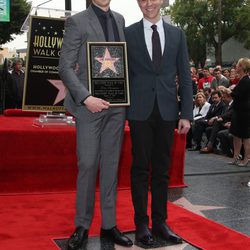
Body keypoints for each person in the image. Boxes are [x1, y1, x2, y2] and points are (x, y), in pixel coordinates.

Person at [59, 1, 133, 249]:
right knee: (88, 164)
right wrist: (85, 97)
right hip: (88, 106)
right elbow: (65, 66)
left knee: (111, 166)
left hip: (116, 107)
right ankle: (82, 225)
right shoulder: (77, 21)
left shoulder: (121, 19)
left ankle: (109, 225)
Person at [125, 0, 193, 246]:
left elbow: (185, 76)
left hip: (167, 112)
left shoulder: (177, 34)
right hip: (139, 112)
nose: (148, 3)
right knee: (140, 169)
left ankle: (160, 222)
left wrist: (186, 112)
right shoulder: (128, 33)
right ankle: (141, 224)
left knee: (163, 171)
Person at [228, 58, 250, 166]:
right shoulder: (241, 80)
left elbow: (238, 96)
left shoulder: (246, 80)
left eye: (238, 65)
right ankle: (235, 157)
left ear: (242, 67)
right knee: (236, 135)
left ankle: (246, 159)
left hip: (244, 112)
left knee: (245, 137)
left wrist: (229, 91)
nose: (236, 67)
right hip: (237, 111)